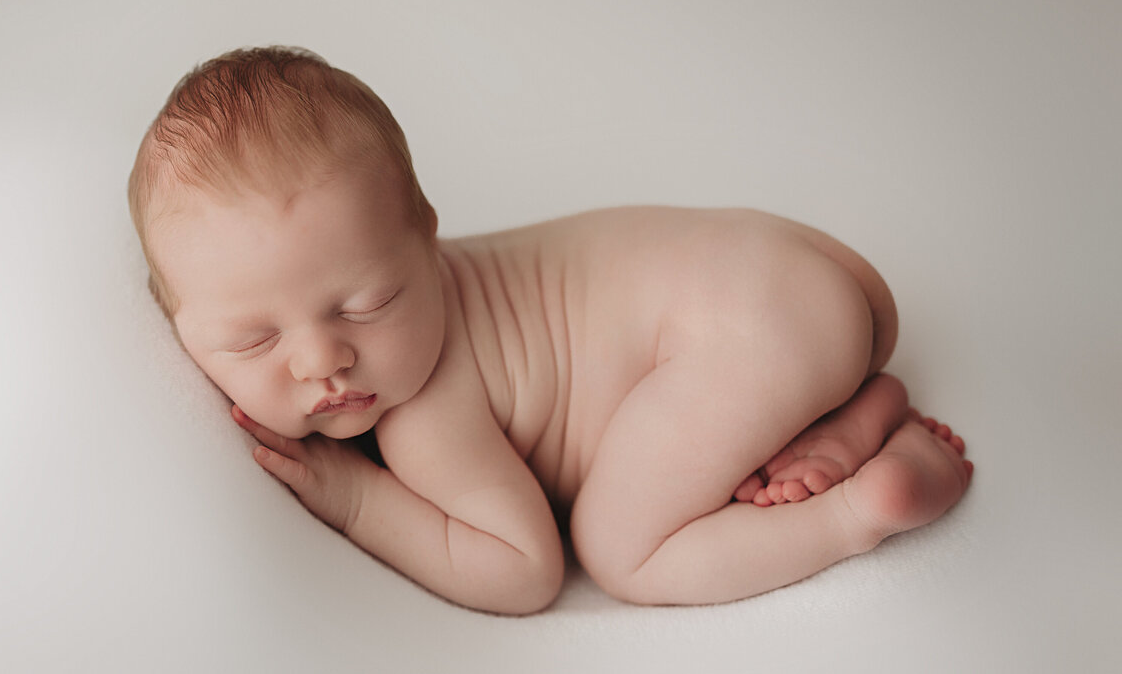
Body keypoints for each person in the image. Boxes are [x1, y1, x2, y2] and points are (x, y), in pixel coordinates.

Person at [128, 46, 972, 614]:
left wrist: (355, 497)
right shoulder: (373, 263)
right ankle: (854, 415)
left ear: (424, 231)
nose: (323, 357)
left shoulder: (424, 413)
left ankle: (859, 508)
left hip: (746, 325)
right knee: (718, 417)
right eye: (252, 342)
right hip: (787, 285)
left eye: (367, 303)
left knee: (619, 547)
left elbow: (523, 569)